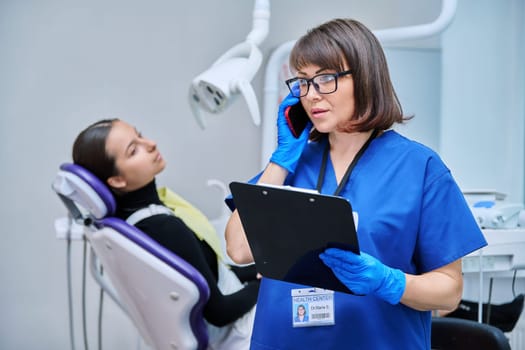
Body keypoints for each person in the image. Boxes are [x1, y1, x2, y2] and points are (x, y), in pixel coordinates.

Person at [224, 18, 487, 349]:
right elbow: (238, 248)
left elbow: (449, 293)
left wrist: (388, 282)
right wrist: (281, 158)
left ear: (364, 78)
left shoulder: (420, 168)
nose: (312, 95)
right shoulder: (292, 164)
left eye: (325, 79)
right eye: (303, 82)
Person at [72, 118, 259, 349]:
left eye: (140, 135)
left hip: (235, 322)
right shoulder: (163, 228)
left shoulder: (136, 223)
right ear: (117, 180)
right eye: (134, 150)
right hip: (242, 334)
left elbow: (214, 275)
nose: (150, 144)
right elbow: (220, 311)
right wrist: (267, 282)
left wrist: (260, 270)